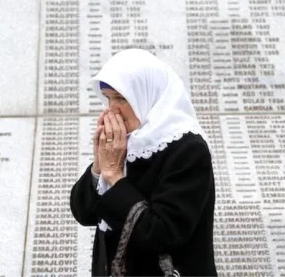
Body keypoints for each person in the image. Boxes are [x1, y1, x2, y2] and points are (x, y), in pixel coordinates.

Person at [70, 49, 217, 277]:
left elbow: (163, 233)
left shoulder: (189, 149)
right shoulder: (129, 141)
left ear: (146, 94)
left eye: (121, 98)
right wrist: (99, 165)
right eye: (108, 98)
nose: (112, 109)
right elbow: (85, 214)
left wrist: (115, 176)